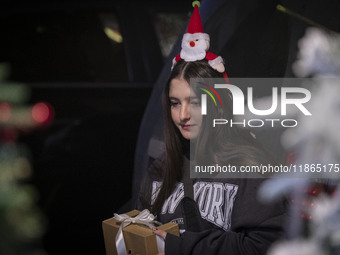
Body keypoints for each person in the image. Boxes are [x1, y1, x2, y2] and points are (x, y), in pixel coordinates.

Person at [137, 2, 287, 254]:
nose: (183, 115)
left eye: (195, 102)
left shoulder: (250, 169)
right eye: (175, 103)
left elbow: (266, 246)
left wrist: (178, 247)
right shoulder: (162, 168)